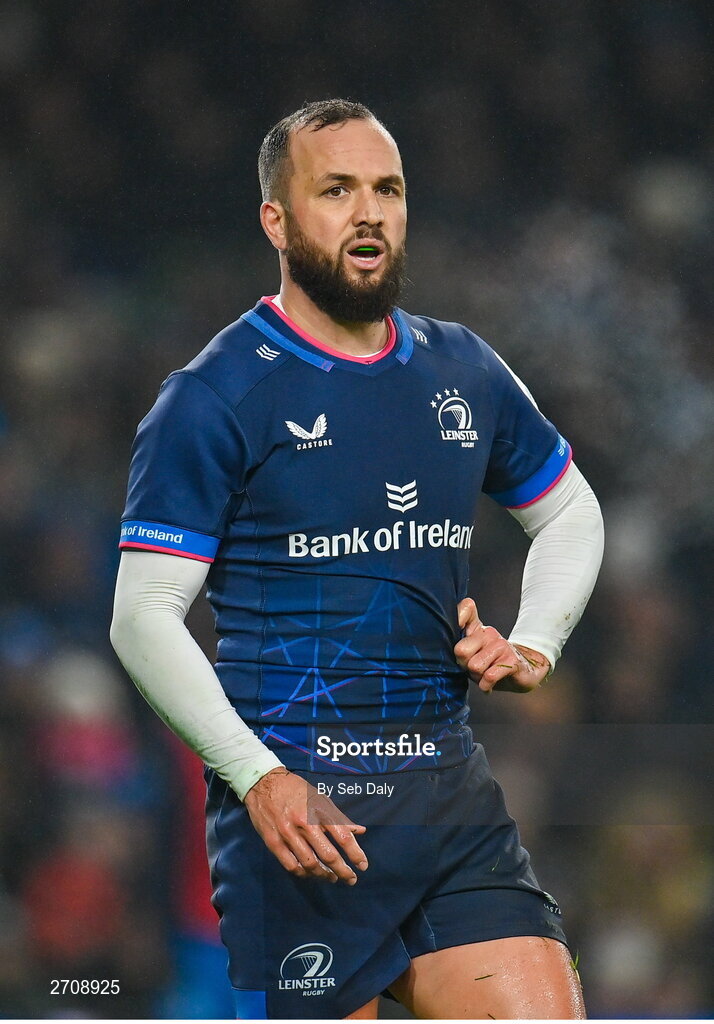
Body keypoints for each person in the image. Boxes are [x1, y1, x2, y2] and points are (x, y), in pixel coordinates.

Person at [110, 98, 604, 1020]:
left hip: (448, 803)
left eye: (388, 189)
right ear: (278, 220)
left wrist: (535, 641)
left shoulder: (462, 371)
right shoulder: (214, 398)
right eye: (336, 190)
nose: (368, 211)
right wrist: (256, 778)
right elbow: (141, 617)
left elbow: (571, 513)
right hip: (305, 827)